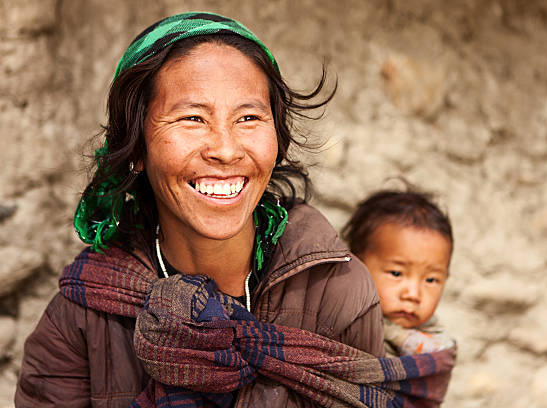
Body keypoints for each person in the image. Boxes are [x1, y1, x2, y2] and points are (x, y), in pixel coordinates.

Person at [15, 12, 454, 408]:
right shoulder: (83, 315)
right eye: (192, 118)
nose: (226, 150)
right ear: (137, 148)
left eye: (248, 119)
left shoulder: (336, 291)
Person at [342, 188, 456, 362]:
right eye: (396, 273)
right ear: (357, 265)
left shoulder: (436, 345)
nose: (413, 295)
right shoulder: (338, 321)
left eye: (431, 280)